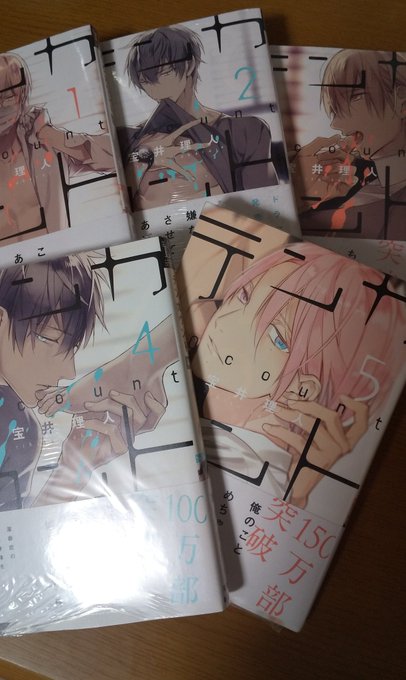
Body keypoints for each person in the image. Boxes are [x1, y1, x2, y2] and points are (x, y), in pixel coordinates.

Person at [178, 207, 405, 509]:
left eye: (276, 336)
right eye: (244, 296)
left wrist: (296, 496)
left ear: (304, 389)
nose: (228, 322)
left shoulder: (248, 458)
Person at [0, 255, 177, 511]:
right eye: (50, 339)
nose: (69, 371)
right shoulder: (17, 428)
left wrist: (75, 467)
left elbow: (15, 529)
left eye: (71, 348)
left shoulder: (19, 424)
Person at [118, 25, 278, 211]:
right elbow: (121, 206)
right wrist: (144, 156)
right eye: (145, 81)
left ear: (189, 64)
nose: (156, 90)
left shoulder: (245, 131)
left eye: (164, 73)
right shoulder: (133, 138)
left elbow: (266, 205)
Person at [0, 52, 116, 243]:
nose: (2, 107)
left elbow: (114, 156)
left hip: (55, 257)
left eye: (8, 98)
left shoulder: (42, 145)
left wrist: (49, 134)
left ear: (22, 95)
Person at [292, 49, 406, 240]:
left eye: (354, 97)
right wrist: (299, 196)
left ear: (401, 100)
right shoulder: (346, 177)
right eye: (335, 109)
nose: (335, 124)